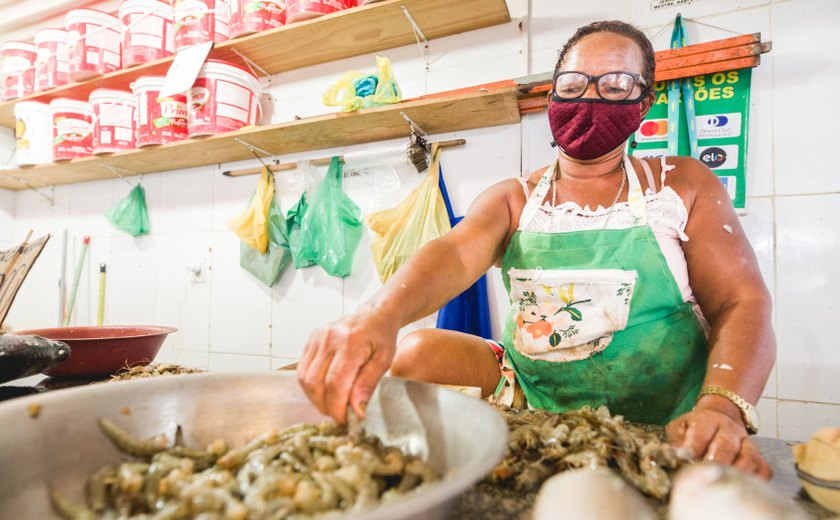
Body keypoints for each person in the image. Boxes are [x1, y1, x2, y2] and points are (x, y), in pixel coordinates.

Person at [298, 20, 775, 479]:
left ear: (644, 101)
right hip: (533, 397)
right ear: (552, 97)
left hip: (666, 412)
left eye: (614, 85)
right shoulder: (514, 198)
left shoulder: (680, 184)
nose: (590, 97)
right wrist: (378, 315)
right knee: (418, 350)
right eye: (573, 85)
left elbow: (742, 301)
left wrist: (721, 408)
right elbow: (456, 253)